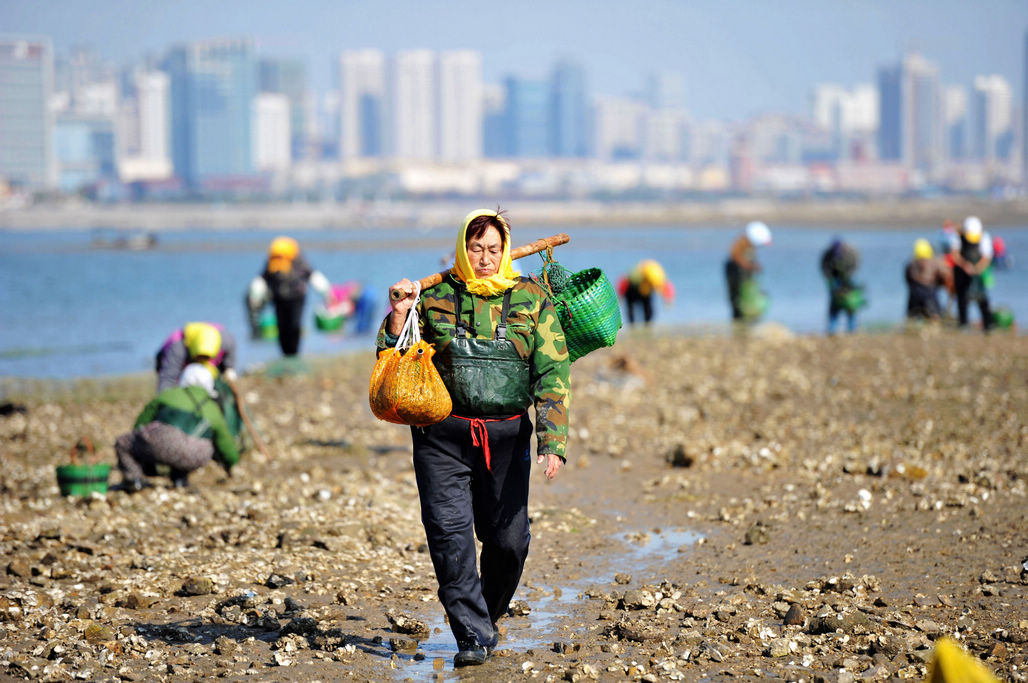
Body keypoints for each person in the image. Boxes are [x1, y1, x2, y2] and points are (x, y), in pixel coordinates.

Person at [380, 208, 570, 667]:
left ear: (505, 251)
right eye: (475, 248)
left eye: (493, 249)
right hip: (440, 439)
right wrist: (398, 315)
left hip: (506, 441)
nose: (484, 258)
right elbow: (394, 356)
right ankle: (470, 634)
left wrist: (552, 441)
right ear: (462, 249)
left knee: (509, 542)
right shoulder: (433, 296)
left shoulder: (531, 298)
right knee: (449, 537)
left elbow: (552, 373)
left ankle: (485, 615)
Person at [115, 363, 239, 491]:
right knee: (189, 444)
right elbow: (225, 443)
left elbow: (141, 424)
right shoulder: (213, 409)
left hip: (165, 444)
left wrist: (141, 444)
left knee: (123, 442)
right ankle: (180, 480)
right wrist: (231, 463)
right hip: (197, 456)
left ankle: (134, 480)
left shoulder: (168, 395)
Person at [246, 236, 331, 356]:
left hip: (297, 298)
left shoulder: (299, 261)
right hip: (279, 299)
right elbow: (262, 279)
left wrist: (326, 291)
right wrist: (255, 296)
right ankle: (285, 353)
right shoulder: (272, 263)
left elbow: (312, 275)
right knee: (282, 327)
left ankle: (294, 352)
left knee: (295, 325)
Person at [155, 321, 237, 393]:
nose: (202, 361)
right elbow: (167, 379)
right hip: (168, 359)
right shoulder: (177, 347)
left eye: (206, 357)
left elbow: (229, 369)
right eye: (200, 357)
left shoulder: (227, 341)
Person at [950, 216, 994, 331]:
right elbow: (954, 254)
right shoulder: (958, 237)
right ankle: (963, 324)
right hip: (962, 271)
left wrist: (979, 268)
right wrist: (965, 265)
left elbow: (987, 257)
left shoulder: (984, 237)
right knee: (962, 298)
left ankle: (987, 326)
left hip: (978, 273)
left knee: (982, 298)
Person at [724, 221, 772, 321]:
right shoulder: (740, 244)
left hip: (745, 277)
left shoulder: (750, 246)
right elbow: (735, 256)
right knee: (737, 301)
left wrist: (754, 266)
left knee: (748, 300)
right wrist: (750, 266)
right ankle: (739, 321)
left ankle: (745, 322)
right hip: (735, 274)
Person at [820, 238, 862, 334]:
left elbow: (856, 263)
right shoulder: (828, 254)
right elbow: (824, 267)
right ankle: (831, 329)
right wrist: (830, 279)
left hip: (849, 276)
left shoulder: (850, 253)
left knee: (851, 304)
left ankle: (852, 329)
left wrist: (848, 278)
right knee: (834, 303)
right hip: (834, 278)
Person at [904, 239, 951, 321]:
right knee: (934, 315)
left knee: (912, 316)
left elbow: (907, 278)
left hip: (914, 292)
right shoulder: (935, 262)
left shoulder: (911, 263)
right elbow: (944, 275)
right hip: (929, 292)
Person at [618, 259, 675, 326]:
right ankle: (632, 326)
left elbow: (666, 287)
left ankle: (646, 326)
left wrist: (668, 300)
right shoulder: (637, 274)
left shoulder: (657, 275)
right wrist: (620, 297)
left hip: (645, 291)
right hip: (632, 289)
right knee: (632, 309)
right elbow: (624, 282)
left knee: (648, 309)